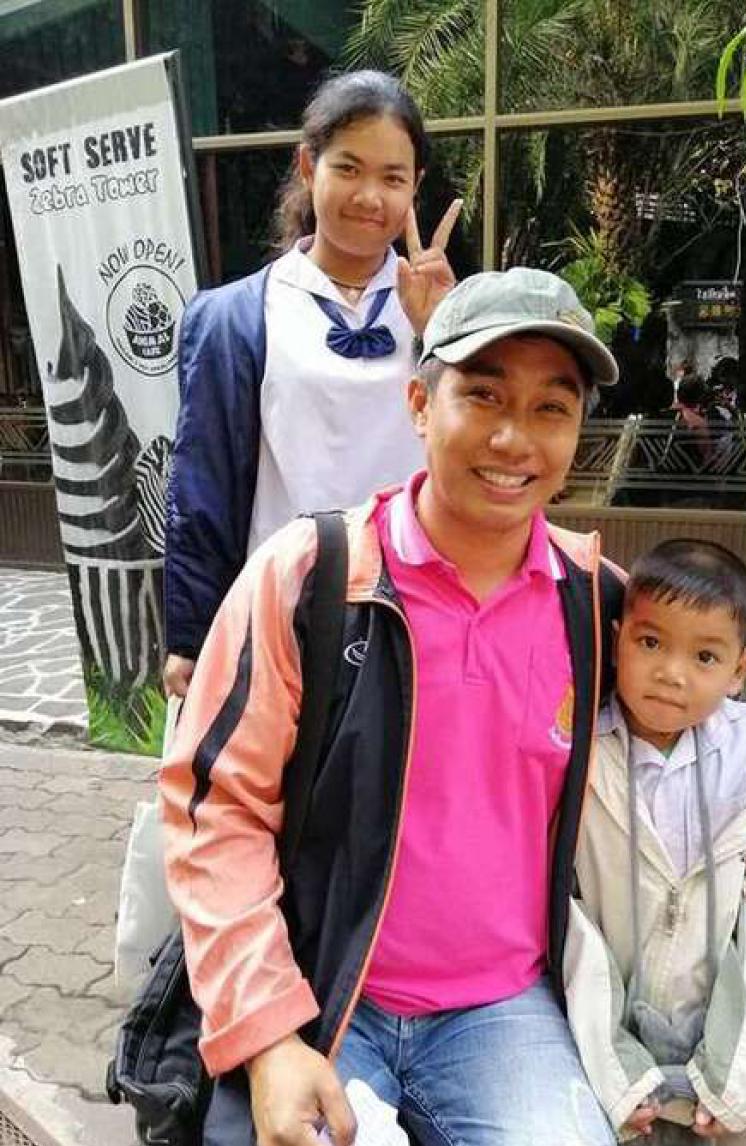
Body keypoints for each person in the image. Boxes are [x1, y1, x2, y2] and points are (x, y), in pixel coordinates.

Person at [160, 269, 746, 1146]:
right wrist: (268, 1037)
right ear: (419, 404)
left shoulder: (602, 610)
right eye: (483, 396)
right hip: (327, 997)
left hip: (505, 1010)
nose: (515, 439)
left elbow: (700, 746)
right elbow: (213, 807)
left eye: (552, 408)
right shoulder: (313, 579)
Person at [163, 69, 461, 698]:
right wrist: (191, 636)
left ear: (416, 186)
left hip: (415, 616)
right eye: (348, 168)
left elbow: (472, 457)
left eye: (393, 178)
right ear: (307, 165)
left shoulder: (447, 313)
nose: (370, 196)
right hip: (279, 617)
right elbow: (202, 484)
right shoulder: (234, 317)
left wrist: (443, 334)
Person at [564, 539, 746, 1146]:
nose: (671, 673)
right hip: (602, 1025)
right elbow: (569, 923)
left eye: (705, 657)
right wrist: (611, 1059)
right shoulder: (581, 746)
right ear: (618, 641)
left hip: (725, 1023)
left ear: (740, 671)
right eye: (651, 643)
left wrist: (734, 1074)